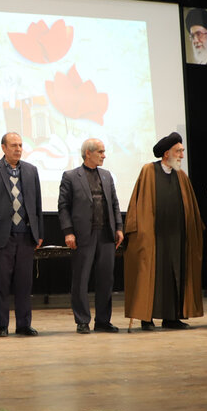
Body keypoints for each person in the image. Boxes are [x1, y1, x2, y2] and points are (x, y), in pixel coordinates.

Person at [124, 132, 204, 330]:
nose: (182, 156)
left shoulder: (181, 176)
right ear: (166, 153)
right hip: (154, 236)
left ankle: (172, 318)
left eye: (182, 151)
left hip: (177, 236)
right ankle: (147, 318)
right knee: (152, 276)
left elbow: (190, 207)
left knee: (175, 275)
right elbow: (139, 203)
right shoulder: (149, 171)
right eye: (178, 151)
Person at [0, 132, 44, 337]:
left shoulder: (31, 170)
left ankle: (24, 324)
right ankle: (2, 324)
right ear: (3, 148)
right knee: (1, 283)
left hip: (26, 235)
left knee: (24, 283)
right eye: (14, 145)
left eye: (20, 145)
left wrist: (39, 232)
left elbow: (37, 205)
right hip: (1, 235)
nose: (18, 149)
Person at [57, 138, 124, 333]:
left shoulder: (107, 175)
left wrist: (119, 227)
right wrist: (68, 232)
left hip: (106, 234)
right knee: (81, 279)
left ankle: (103, 320)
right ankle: (82, 320)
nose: (104, 155)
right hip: (83, 235)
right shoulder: (71, 176)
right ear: (88, 153)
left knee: (106, 279)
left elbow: (115, 203)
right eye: (100, 152)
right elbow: (63, 207)